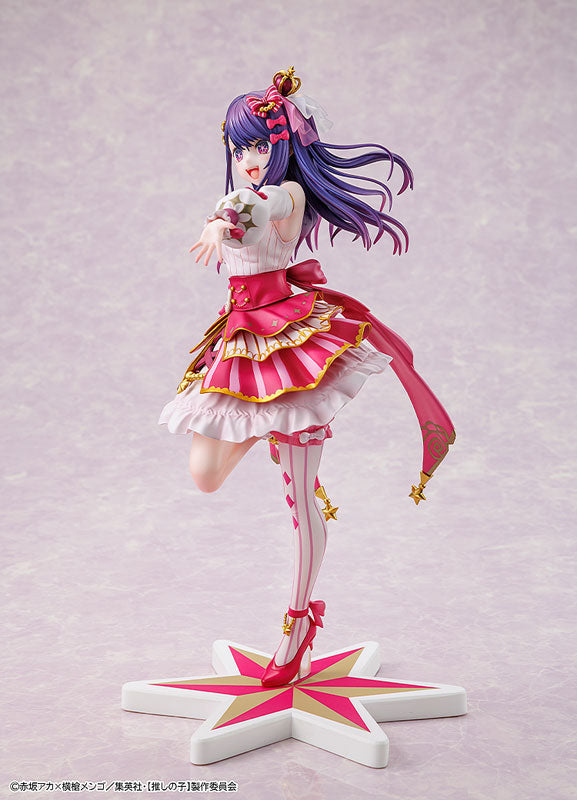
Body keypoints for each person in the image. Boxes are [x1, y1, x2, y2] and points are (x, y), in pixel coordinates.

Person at [159, 67, 455, 687]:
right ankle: (268, 428)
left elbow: (254, 206)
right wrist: (221, 219)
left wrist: (218, 220)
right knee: (204, 473)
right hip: (242, 338)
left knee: (299, 495)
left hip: (291, 344)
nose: (248, 160)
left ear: (286, 146)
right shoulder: (254, 192)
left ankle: (299, 624)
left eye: (260, 145)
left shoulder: (283, 195)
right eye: (238, 148)